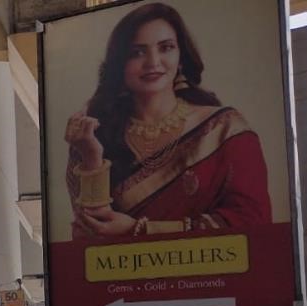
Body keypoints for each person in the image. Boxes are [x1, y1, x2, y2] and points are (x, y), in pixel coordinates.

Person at [64, 2, 270, 240]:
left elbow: (254, 222)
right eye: (137, 52)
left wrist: (140, 229)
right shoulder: (96, 136)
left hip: (214, 275)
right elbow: (89, 235)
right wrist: (91, 155)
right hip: (127, 276)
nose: (153, 62)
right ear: (119, 64)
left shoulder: (224, 129)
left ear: (181, 57)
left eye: (166, 48)